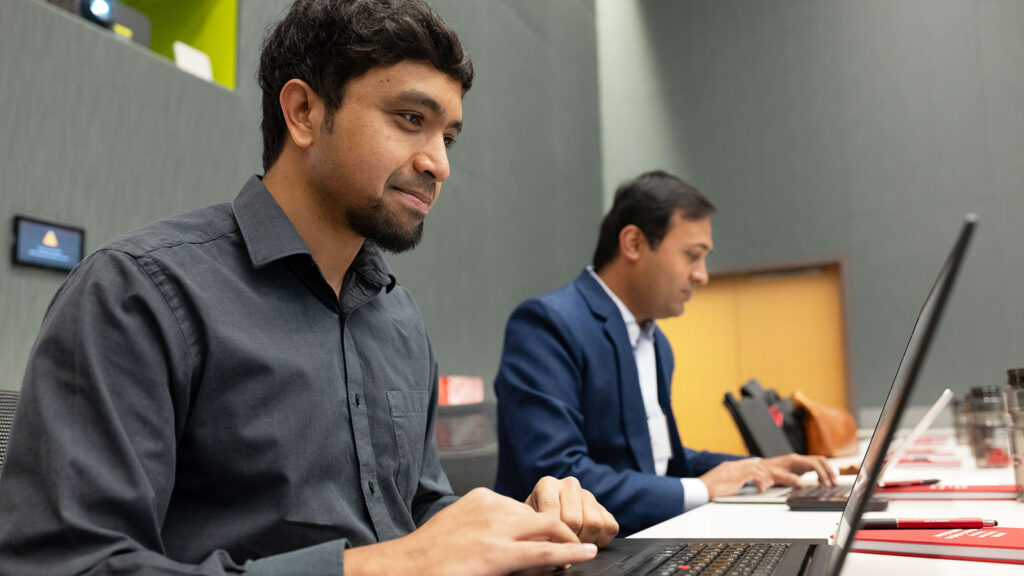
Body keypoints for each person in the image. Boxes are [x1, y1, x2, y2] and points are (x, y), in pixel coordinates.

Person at [0, 1, 618, 574]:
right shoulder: (137, 295)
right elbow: (66, 565)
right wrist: (389, 566)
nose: (439, 163)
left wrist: (518, 528)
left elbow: (419, 513)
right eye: (410, 120)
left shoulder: (398, 317)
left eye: (448, 137)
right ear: (303, 114)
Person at [493, 170, 837, 535]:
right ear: (634, 243)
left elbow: (660, 462)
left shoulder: (656, 342)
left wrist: (759, 467)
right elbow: (558, 477)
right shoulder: (547, 324)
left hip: (642, 541)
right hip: (570, 556)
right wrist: (704, 488)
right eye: (692, 255)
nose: (702, 275)